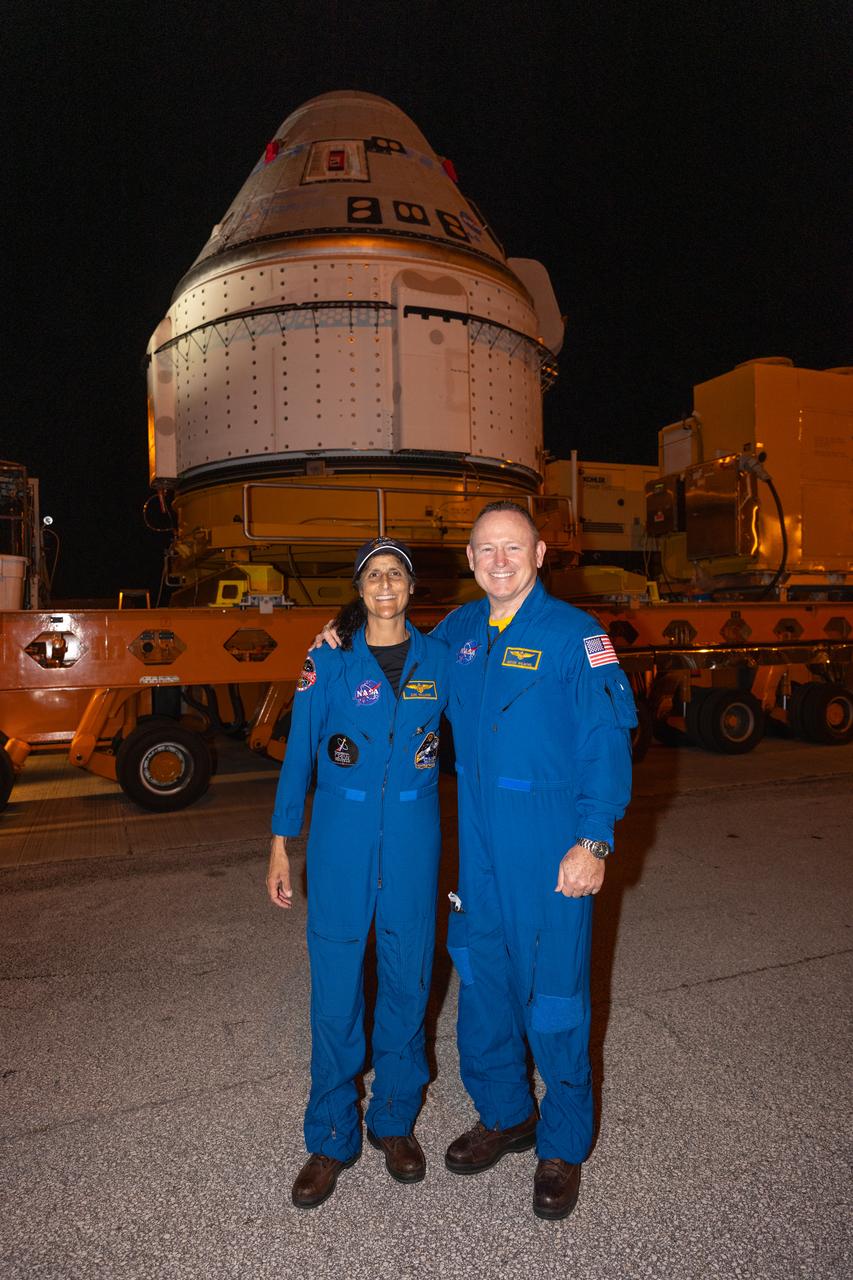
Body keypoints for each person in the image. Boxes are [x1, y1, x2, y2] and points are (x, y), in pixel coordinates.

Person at [434, 500, 636, 1220]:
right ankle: (506, 1114)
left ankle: (561, 1143)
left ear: (540, 554)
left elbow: (605, 743)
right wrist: (344, 637)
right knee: (483, 979)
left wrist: (593, 840)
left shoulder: (575, 637)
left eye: (511, 548)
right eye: (485, 549)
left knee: (553, 996)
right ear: (469, 558)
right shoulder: (457, 632)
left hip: (550, 841)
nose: (498, 560)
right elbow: (400, 672)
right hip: (479, 841)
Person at [267, 536, 450, 1210]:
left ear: (409, 587)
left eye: (395, 574)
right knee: (337, 989)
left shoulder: (440, 659)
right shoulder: (328, 661)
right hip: (341, 838)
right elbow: (298, 758)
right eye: (372, 575)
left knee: (408, 980)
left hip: (412, 836)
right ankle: (331, 1134)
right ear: (358, 587)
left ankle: (394, 1123)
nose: (383, 585)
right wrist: (281, 841)